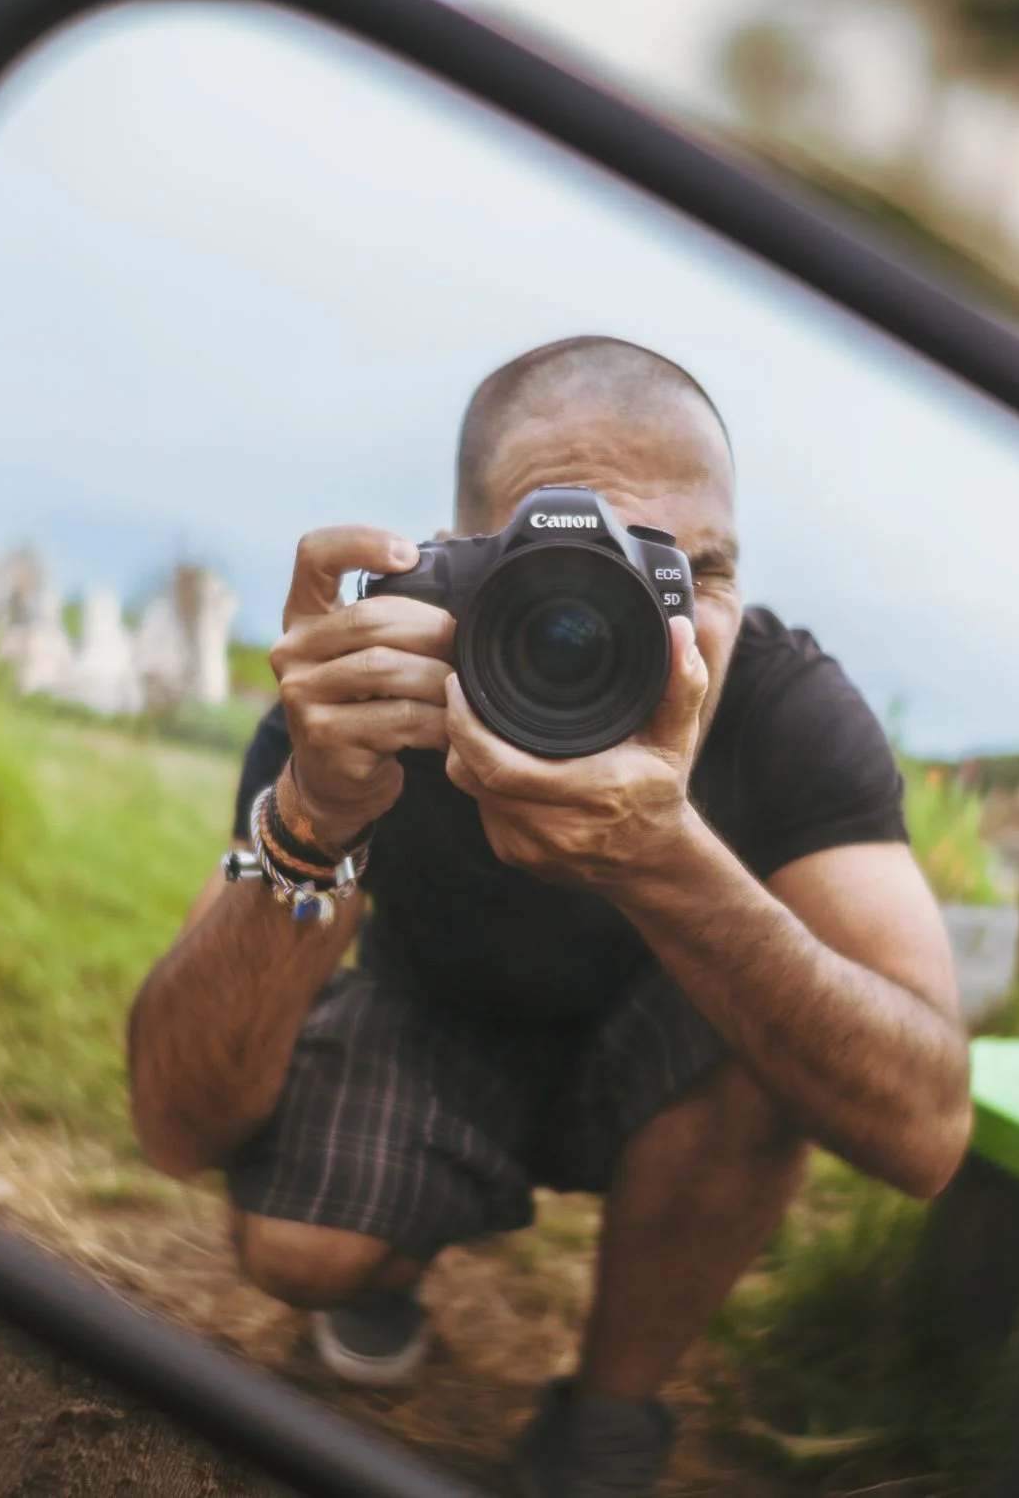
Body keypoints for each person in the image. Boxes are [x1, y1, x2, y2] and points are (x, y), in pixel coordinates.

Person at [127, 335, 971, 1498]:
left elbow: (923, 1130)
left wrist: (669, 864)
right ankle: (385, 1257)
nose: (639, 622)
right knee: (300, 1247)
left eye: (695, 570)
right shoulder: (380, 686)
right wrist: (316, 812)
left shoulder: (785, 705)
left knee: (790, 1018)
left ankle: (609, 1415)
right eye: (570, 575)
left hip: (669, 1067)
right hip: (433, 1028)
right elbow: (178, 1125)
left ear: (735, 577)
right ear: (463, 563)